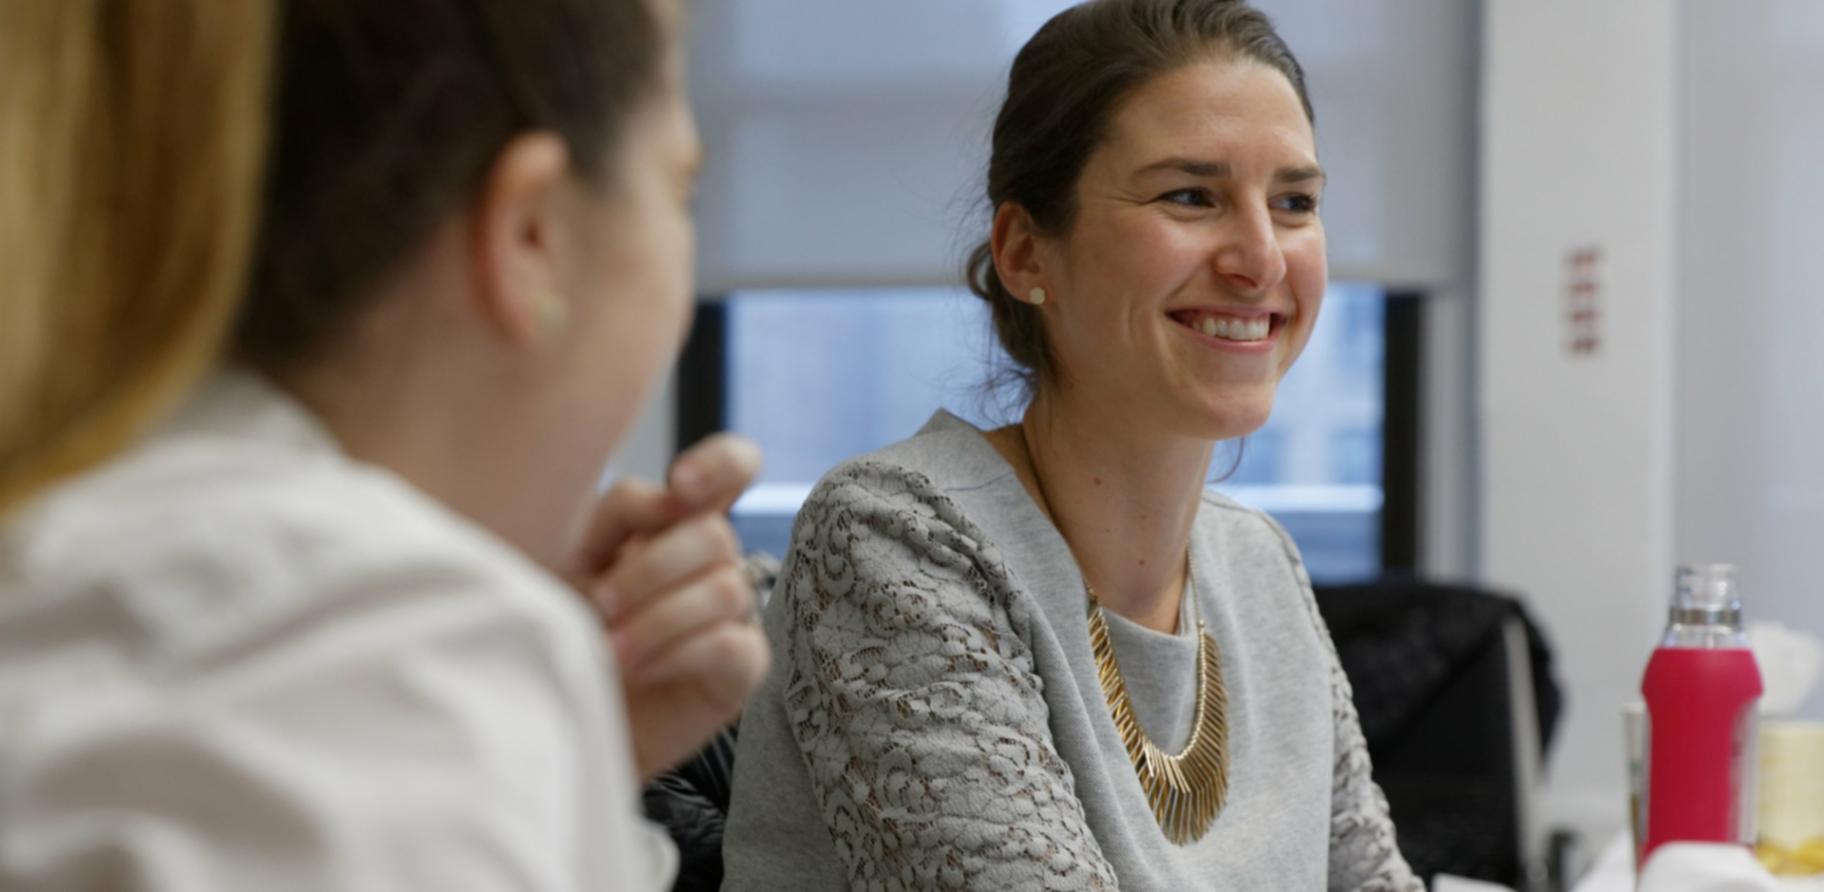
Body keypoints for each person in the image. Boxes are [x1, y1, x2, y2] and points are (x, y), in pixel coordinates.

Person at [0, 1, 767, 888]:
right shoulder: (375, 651)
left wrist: (569, 753)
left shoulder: (101, 551)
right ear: (531, 236)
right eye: (682, 192)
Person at [722, 0, 1422, 888]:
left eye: (1294, 202)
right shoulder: (893, 538)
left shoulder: (1259, 566)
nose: (1261, 257)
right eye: (1190, 196)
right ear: (1024, 254)